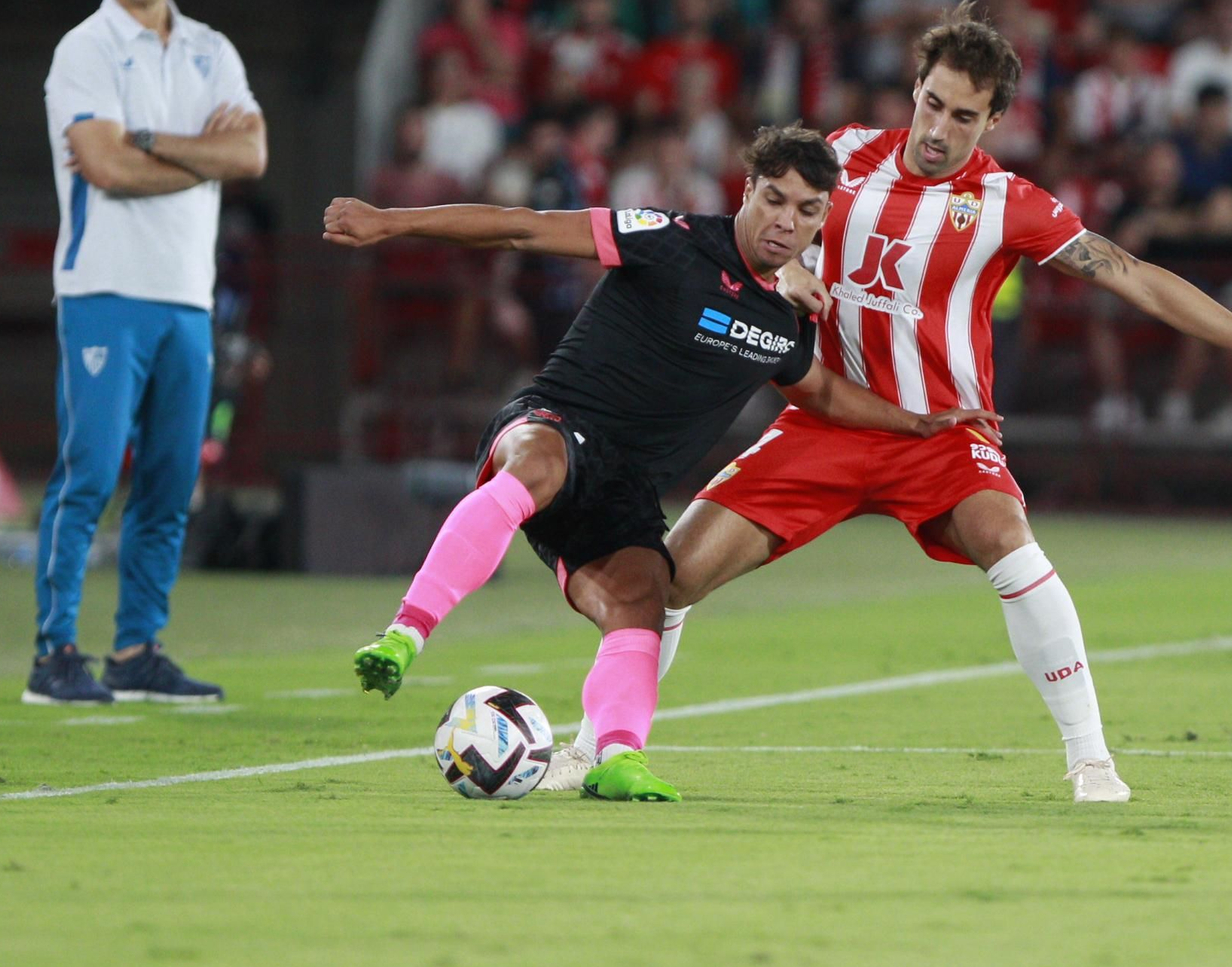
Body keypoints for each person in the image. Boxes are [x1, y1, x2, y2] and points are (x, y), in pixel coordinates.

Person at [550, 7, 1232, 801]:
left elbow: (1135, 275)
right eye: (931, 103)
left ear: (994, 120)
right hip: (826, 423)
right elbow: (762, 232)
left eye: (964, 116)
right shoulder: (844, 156)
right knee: (668, 577)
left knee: (1011, 543)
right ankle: (590, 750)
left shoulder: (1010, 202)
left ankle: (1091, 761)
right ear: (916, 88)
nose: (938, 128)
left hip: (942, 433)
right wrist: (786, 274)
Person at [327, 126, 994, 803]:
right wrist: (388, 222)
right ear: (746, 192)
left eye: (806, 210)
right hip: (556, 421)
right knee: (535, 468)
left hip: (624, 490)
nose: (785, 221)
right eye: (774, 199)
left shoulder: (780, 319)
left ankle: (616, 759)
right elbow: (522, 228)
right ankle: (404, 635)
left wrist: (916, 421)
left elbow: (819, 390)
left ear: (823, 219)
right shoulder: (668, 236)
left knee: (646, 595)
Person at [28, 0, 268, 706]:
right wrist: (203, 153)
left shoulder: (210, 50)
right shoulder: (84, 50)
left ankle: (135, 651)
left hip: (185, 297)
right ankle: (54, 651)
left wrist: (153, 143)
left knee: (169, 482)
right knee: (88, 472)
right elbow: (104, 168)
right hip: (103, 288)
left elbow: (253, 156)